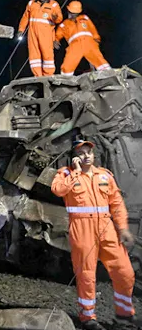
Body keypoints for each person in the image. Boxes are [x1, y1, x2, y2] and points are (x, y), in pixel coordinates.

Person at [51, 140, 138, 329]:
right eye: (81, 153)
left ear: (94, 154)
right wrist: (75, 171)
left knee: (125, 272)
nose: (86, 155)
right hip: (82, 229)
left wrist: (122, 228)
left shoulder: (105, 175)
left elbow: (116, 204)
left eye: (89, 152)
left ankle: (124, 317)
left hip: (107, 228)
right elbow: (58, 190)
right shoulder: (65, 174)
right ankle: (88, 318)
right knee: (86, 275)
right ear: (75, 156)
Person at [54, 0, 111, 76]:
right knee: (68, 64)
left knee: (99, 60)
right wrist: (55, 40)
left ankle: (109, 75)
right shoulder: (64, 24)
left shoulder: (84, 18)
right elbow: (57, 35)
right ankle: (65, 79)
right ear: (68, 11)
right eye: (71, 12)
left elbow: (92, 28)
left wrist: (96, 38)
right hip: (75, 45)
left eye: (75, 13)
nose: (73, 15)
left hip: (89, 43)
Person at [17, 0, 63, 76]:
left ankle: (48, 75)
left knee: (47, 54)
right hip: (32, 34)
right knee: (34, 55)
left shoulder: (54, 5)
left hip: (46, 34)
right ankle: (37, 76)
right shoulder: (31, 3)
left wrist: (55, 18)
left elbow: (59, 19)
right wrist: (21, 30)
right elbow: (25, 17)